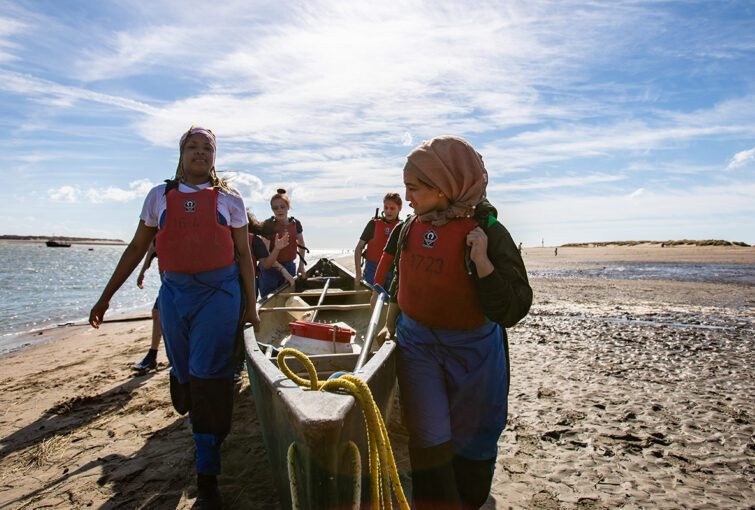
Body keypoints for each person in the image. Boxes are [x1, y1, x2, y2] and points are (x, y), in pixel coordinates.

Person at [89, 126, 260, 509]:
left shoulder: (229, 199)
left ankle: (208, 476)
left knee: (209, 376)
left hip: (219, 295)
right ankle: (180, 380)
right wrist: (105, 298)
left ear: (215, 156)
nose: (200, 153)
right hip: (174, 296)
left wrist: (251, 306)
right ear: (181, 153)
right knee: (187, 375)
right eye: (193, 147)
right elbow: (137, 247)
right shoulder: (159, 197)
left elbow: (245, 257)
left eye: (207, 148)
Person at [374, 136, 532, 510]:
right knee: (428, 435)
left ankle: (471, 499)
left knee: (474, 437)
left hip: (474, 352)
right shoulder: (408, 228)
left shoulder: (489, 232)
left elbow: (513, 308)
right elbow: (400, 280)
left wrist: (484, 264)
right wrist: (388, 322)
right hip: (417, 348)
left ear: (443, 188)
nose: (408, 198)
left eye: (413, 189)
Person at [233, 211, 295, 381]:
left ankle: (238, 363)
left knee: (242, 319)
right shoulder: (220, 237)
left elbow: (266, 263)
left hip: (246, 284)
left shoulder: (254, 240)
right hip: (224, 284)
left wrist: (277, 248)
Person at [258, 188, 307, 296]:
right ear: (272, 209)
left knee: (288, 298)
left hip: (290, 266)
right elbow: (265, 255)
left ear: (288, 207)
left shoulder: (295, 223)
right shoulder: (268, 225)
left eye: (282, 207)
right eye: (275, 208)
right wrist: (282, 270)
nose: (279, 210)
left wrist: (301, 266)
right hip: (270, 270)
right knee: (269, 298)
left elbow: (301, 245)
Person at [354, 193, 402, 289]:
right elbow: (359, 248)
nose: (388, 211)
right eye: (386, 207)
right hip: (372, 271)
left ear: (399, 208)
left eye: (392, 208)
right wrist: (358, 274)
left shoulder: (402, 226)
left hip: (392, 272)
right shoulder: (373, 224)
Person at [132, 241, 162, 372]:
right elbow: (150, 250)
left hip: (185, 282)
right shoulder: (157, 234)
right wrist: (142, 272)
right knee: (156, 312)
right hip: (168, 285)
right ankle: (152, 355)